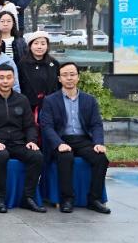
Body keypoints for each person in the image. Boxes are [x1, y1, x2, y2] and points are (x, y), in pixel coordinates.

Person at [38, 62, 111, 214]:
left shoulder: (89, 100)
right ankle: (67, 199)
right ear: (59, 79)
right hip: (62, 139)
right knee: (65, 157)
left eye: (72, 74)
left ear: (78, 77)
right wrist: (58, 143)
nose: (69, 78)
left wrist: (98, 143)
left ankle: (94, 200)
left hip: (82, 140)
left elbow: (96, 124)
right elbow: (47, 126)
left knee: (101, 158)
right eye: (65, 75)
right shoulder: (50, 100)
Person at [0, 64, 46, 213]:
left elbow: (30, 126)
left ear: (14, 79)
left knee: (37, 156)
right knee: (2, 155)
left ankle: (28, 197)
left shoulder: (22, 100)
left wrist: (31, 141)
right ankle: (0, 198)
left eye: (9, 77)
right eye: (1, 78)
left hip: (18, 143)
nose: (5, 81)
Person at [19, 31, 61, 112]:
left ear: (47, 46)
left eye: (43, 44)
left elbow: (59, 85)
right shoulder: (23, 64)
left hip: (51, 105)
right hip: (29, 106)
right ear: (30, 45)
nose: (39, 47)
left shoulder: (54, 63)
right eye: (36, 43)